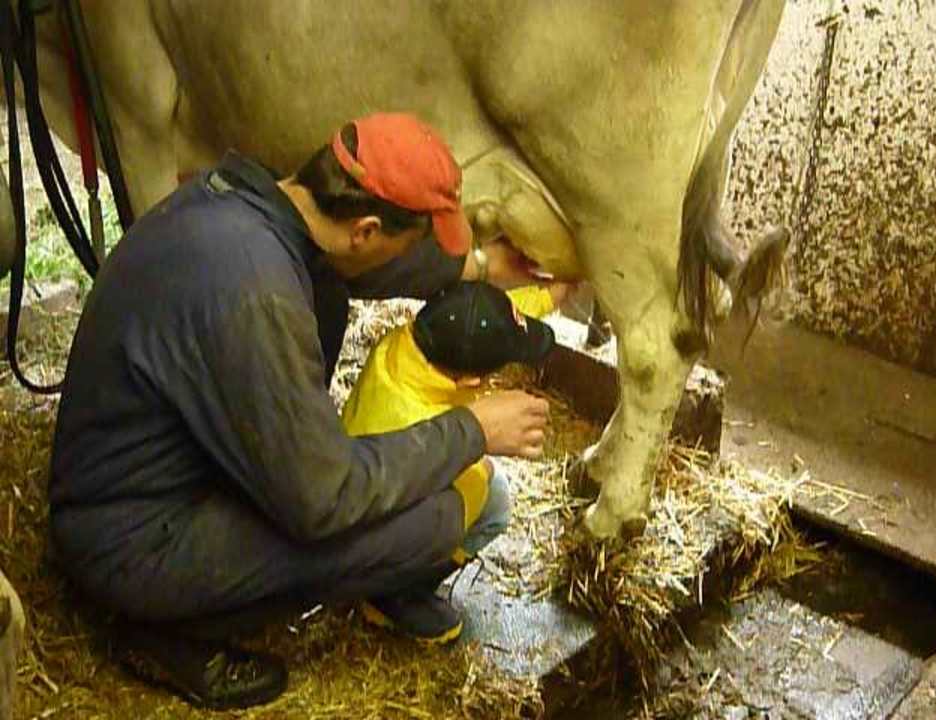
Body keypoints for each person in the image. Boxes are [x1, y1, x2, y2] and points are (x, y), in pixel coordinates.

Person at [48, 112, 550, 710]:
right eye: (409, 239)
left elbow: (367, 266)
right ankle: (160, 631)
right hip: (130, 544)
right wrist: (472, 428)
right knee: (434, 522)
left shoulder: (251, 206)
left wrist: (483, 268)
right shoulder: (255, 291)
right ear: (364, 229)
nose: (407, 256)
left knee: (332, 294)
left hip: (145, 480)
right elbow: (323, 497)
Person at [342, 281, 573, 643]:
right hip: (369, 520)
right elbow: (443, 474)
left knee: (487, 482)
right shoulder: (419, 423)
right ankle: (392, 595)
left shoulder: (410, 341)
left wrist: (549, 296)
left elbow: (487, 315)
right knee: (492, 503)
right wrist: (483, 445)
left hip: (369, 465)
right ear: (470, 379)